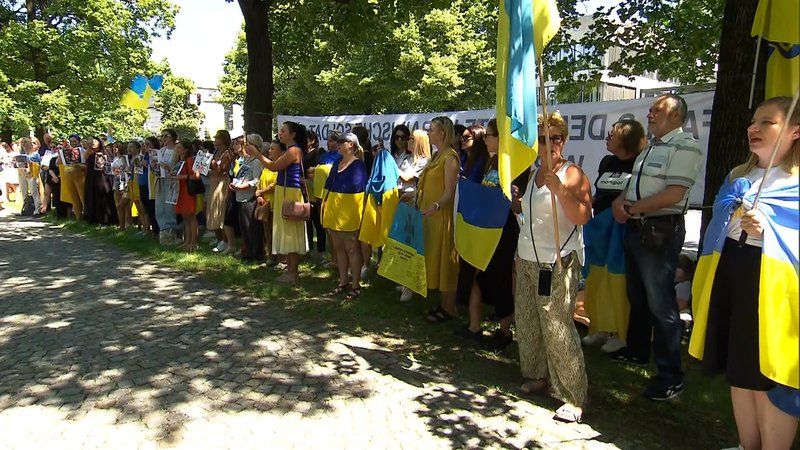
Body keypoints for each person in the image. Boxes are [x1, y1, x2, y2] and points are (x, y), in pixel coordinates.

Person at [690, 96, 799, 449]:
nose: (753, 128)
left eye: (767, 122)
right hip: (733, 272)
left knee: (771, 374)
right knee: (740, 368)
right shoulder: (739, 176)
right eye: (753, 121)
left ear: (795, 131)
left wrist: (769, 233)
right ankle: (746, 444)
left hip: (774, 283)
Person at [610, 94, 704, 400]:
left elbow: (675, 194)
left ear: (676, 116)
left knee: (661, 304)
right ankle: (637, 352)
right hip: (637, 229)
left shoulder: (685, 146)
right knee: (637, 295)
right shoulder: (650, 147)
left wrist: (634, 208)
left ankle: (670, 376)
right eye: (650, 110)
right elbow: (632, 184)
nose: (650, 115)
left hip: (659, 231)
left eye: (657, 111)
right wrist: (619, 203)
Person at [516, 111, 593, 423]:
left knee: (558, 326)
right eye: (544, 139)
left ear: (564, 141)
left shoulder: (573, 174)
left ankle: (573, 395)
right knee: (528, 320)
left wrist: (560, 190)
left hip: (558, 261)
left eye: (556, 138)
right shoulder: (533, 174)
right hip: (527, 258)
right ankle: (537, 374)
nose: (550, 145)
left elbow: (583, 216)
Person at [456, 119, 527, 350]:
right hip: (484, 228)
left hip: (504, 230)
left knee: (501, 279)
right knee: (475, 274)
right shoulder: (490, 160)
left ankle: (505, 331)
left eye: (490, 135)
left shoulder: (516, 164)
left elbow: (516, 200)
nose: (485, 140)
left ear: (502, 137)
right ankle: (474, 326)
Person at [582, 119, 647, 354]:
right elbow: (600, 193)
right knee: (596, 278)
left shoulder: (639, 164)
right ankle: (599, 327)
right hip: (599, 227)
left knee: (618, 282)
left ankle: (620, 333)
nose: (608, 138)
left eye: (613, 135)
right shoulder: (607, 161)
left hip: (621, 229)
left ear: (626, 140)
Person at [247, 122, 309, 284]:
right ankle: (289, 270)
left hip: (290, 194)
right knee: (286, 233)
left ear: (292, 134)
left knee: (291, 233)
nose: (280, 133)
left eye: (283, 131)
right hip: (284, 192)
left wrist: (257, 153)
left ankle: (293, 273)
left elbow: (274, 167)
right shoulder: (289, 150)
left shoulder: (294, 150)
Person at [419, 117, 461, 323]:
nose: (428, 133)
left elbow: (449, 191)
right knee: (436, 257)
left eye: (432, 129)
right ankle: (443, 303)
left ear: (442, 133)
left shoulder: (450, 158)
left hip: (442, 216)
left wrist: (435, 206)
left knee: (446, 260)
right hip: (430, 216)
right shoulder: (437, 156)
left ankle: (450, 307)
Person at [322, 132, 368, 300]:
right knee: (339, 248)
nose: (338, 144)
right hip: (334, 211)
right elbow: (329, 184)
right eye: (338, 141)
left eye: (342, 141)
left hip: (349, 213)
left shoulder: (358, 166)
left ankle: (355, 285)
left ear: (351, 145)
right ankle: (343, 282)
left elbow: (358, 189)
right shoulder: (337, 163)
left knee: (351, 249)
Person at [232, 134, 266, 262]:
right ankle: (248, 253)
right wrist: (235, 184)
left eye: (249, 144)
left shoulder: (257, 161)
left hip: (249, 198)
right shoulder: (246, 160)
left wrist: (244, 186)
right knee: (244, 228)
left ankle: (257, 254)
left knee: (253, 228)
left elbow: (257, 180)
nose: (246, 146)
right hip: (241, 197)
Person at [208, 130, 235, 252]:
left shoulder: (228, 154)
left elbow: (221, 169)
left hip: (222, 184)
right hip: (213, 182)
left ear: (223, 139)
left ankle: (225, 240)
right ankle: (218, 237)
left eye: (217, 138)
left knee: (221, 210)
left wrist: (212, 163)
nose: (215, 140)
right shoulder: (216, 152)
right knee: (213, 209)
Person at [255, 140, 281, 265]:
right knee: (268, 232)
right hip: (265, 204)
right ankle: (271, 256)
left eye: (273, 149)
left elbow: (275, 184)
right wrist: (259, 194)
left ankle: (281, 258)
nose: (269, 151)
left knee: (277, 231)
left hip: (276, 203)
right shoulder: (266, 168)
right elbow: (260, 182)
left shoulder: (279, 167)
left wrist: (261, 191)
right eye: (269, 149)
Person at [83, 136, 117, 226]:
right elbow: (84, 158)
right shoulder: (90, 152)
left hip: (103, 177)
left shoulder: (104, 151)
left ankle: (106, 219)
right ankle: (93, 218)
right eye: (91, 141)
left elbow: (110, 162)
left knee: (103, 197)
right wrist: (89, 148)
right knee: (92, 196)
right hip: (91, 178)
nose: (93, 143)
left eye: (95, 141)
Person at [172, 141, 199, 251]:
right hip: (180, 190)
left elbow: (195, 176)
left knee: (191, 216)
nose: (176, 149)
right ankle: (187, 241)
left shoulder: (189, 160)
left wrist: (181, 177)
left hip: (188, 190)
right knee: (185, 217)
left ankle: (193, 242)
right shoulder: (180, 161)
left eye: (179, 147)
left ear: (186, 149)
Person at [304, 129, 327, 259]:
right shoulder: (301, 153)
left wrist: (310, 175)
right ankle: (309, 248)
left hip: (316, 191)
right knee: (307, 220)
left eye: (306, 139)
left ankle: (321, 250)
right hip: (305, 191)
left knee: (318, 223)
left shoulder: (319, 152)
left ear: (312, 140)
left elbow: (322, 171)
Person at [155, 129, 179, 244]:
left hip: (172, 182)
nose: (163, 138)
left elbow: (179, 167)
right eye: (162, 136)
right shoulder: (161, 151)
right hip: (161, 180)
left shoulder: (176, 150)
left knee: (170, 208)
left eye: (166, 136)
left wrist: (169, 167)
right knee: (160, 206)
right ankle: (163, 231)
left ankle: (172, 233)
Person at [127, 141, 151, 234]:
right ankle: (144, 229)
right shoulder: (130, 158)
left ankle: (147, 229)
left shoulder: (142, 157)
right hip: (133, 182)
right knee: (138, 207)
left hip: (141, 182)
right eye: (129, 147)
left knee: (143, 208)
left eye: (132, 147)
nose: (129, 149)